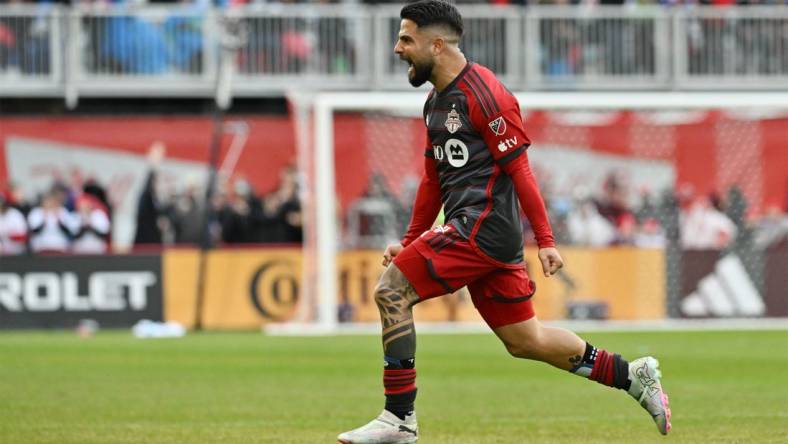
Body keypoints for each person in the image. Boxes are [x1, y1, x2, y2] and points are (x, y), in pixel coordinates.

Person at [337, 2, 671, 443]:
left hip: (482, 227)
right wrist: (410, 239)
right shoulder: (436, 101)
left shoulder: (486, 94)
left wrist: (547, 239)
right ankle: (632, 375)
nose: (397, 48)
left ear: (436, 44)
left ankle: (399, 419)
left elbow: (521, 170)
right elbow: (432, 179)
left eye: (406, 39)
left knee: (390, 291)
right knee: (525, 340)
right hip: (479, 232)